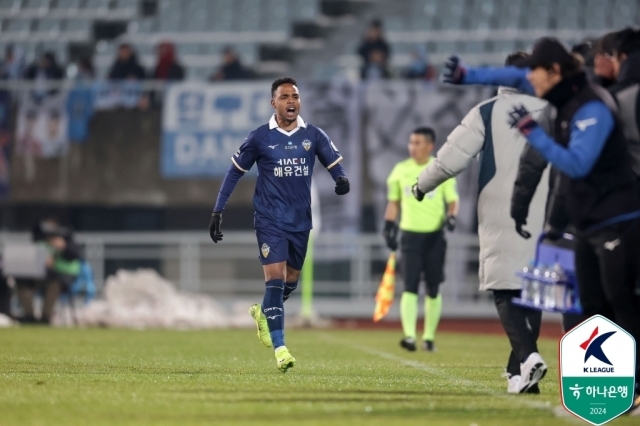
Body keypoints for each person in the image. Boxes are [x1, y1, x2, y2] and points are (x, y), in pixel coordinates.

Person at [445, 38, 640, 411]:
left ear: (554, 72)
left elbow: (576, 165)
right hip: (585, 221)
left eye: (536, 73)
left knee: (622, 304)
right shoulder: (562, 102)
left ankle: (633, 384)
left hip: (616, 218)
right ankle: (603, 391)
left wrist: (532, 133)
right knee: (590, 305)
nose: (528, 81)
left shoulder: (591, 108)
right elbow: (514, 74)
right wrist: (469, 75)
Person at [416, 52, 550, 394]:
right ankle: (518, 372)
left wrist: (421, 185)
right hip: (545, 210)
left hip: (500, 211)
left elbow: (449, 159)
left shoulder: (487, 111)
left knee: (504, 289)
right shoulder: (552, 111)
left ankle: (528, 355)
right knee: (531, 290)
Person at [209, 77, 350, 371]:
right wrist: (217, 210)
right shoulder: (260, 137)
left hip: (300, 221)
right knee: (274, 280)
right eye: (284, 97)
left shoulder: (313, 134)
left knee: (290, 281)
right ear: (273, 103)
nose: (291, 101)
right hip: (269, 219)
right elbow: (234, 172)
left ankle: (263, 312)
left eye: (295, 96)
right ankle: (281, 348)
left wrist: (342, 180)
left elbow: (334, 163)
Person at [383, 127, 458, 352]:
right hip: (410, 236)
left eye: (417, 143)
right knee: (409, 285)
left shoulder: (440, 169)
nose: (412, 147)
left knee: (433, 287)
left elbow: (453, 200)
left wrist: (452, 217)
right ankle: (408, 336)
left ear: (429, 146)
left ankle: (428, 337)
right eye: (411, 142)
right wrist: (388, 226)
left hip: (435, 236)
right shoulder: (400, 170)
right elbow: (394, 202)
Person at [16, 219, 81, 324]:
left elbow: (75, 254)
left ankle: (45, 318)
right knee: (22, 281)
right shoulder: (40, 242)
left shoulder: (67, 241)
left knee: (54, 284)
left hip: (61, 277)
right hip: (41, 276)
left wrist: (63, 247)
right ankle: (29, 316)